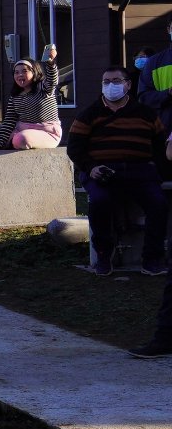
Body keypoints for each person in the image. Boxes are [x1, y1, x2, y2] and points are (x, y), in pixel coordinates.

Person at [67, 67, 169, 278]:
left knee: (158, 203)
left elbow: (161, 147)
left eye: (116, 80)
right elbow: (75, 148)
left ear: (128, 84)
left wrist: (158, 171)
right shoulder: (89, 114)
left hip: (139, 170)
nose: (111, 85)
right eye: (106, 81)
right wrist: (91, 167)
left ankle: (153, 258)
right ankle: (104, 254)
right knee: (100, 202)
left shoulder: (146, 114)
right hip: (102, 171)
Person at [1, 47, 63, 150]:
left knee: (21, 139)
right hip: (20, 131)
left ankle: (12, 143)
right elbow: (9, 121)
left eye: (24, 71)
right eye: (16, 72)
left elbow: (52, 80)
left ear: (34, 72)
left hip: (47, 132)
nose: (20, 75)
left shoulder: (44, 88)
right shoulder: (15, 95)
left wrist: (50, 63)